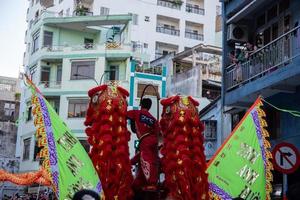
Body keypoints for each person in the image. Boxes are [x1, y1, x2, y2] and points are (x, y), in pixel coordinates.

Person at [127, 98, 160, 192]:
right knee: (148, 159)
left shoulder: (136, 113)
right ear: (149, 107)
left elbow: (125, 114)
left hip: (145, 140)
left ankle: (151, 183)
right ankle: (138, 183)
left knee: (146, 159)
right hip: (154, 141)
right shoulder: (153, 119)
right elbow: (158, 133)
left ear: (141, 105)